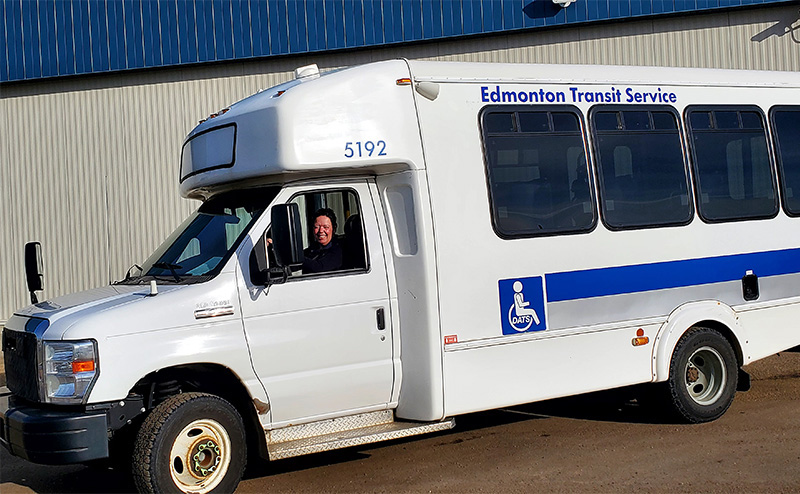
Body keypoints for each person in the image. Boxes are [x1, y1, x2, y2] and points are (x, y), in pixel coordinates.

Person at [302, 208, 343, 273]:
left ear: (334, 229)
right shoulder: (313, 249)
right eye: (316, 227)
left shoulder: (340, 249)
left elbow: (320, 267)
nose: (320, 231)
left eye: (325, 227)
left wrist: (300, 259)